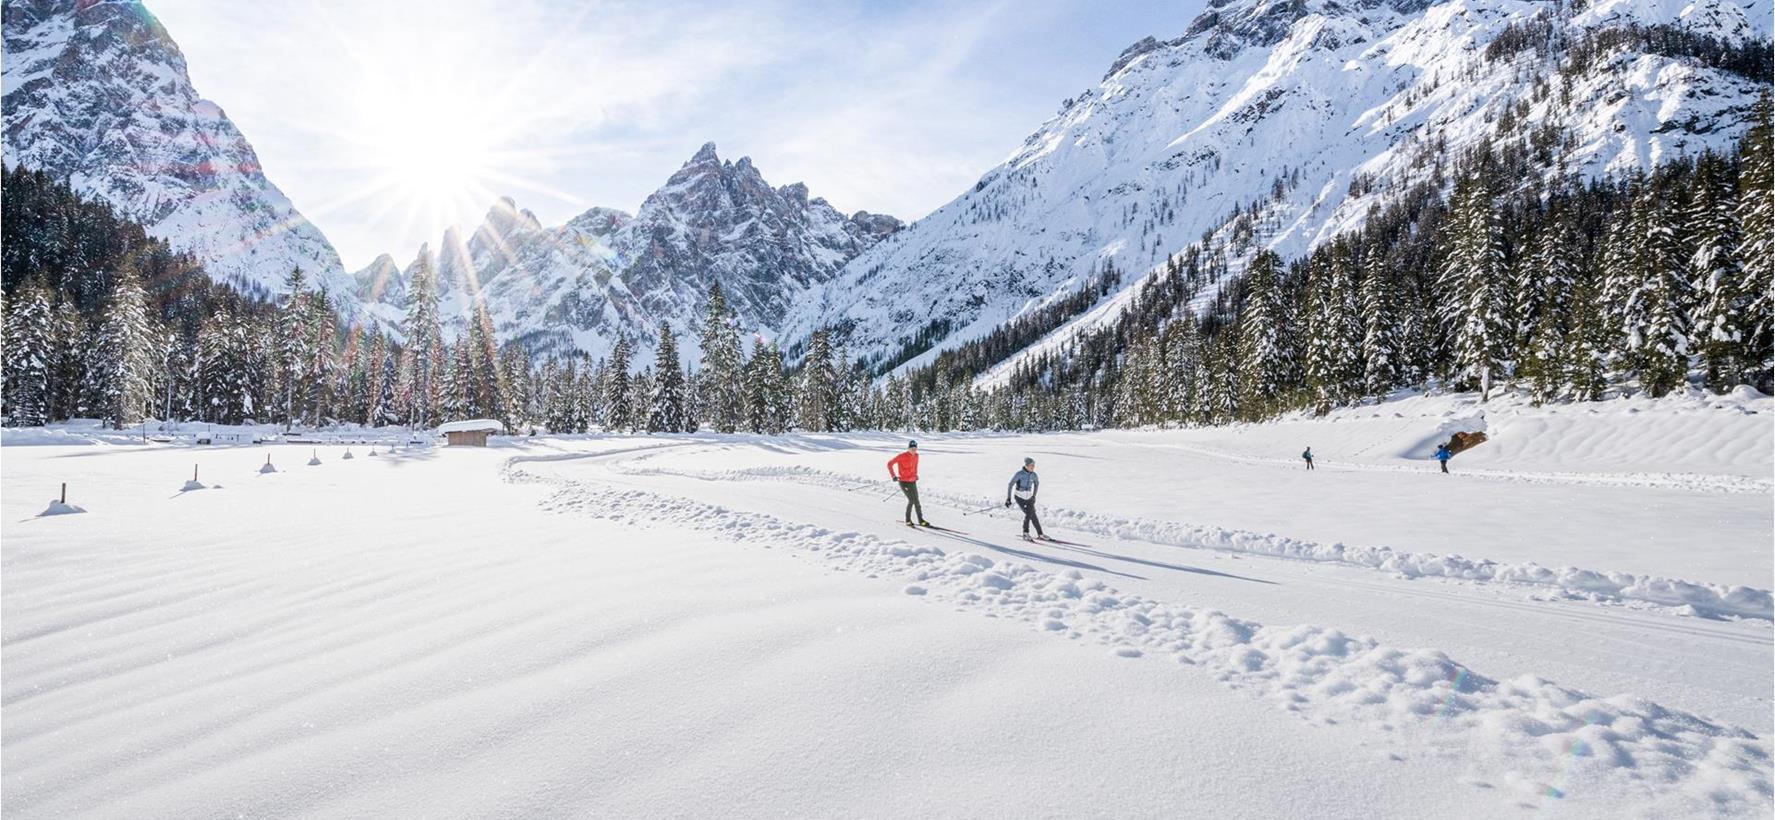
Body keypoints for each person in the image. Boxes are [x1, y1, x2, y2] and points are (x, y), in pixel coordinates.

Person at [888, 440, 928, 526]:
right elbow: (889, 464)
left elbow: (915, 467)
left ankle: (921, 520)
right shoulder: (902, 456)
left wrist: (915, 475)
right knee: (911, 500)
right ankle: (908, 520)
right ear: (908, 448)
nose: (913, 450)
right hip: (903, 482)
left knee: (916, 501)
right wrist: (893, 476)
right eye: (911, 448)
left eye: (915, 448)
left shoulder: (916, 456)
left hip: (912, 481)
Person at [1005, 457, 1046, 540]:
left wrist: (1034, 496)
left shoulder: (1034, 475)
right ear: (1026, 465)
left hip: (1029, 498)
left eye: (1034, 466)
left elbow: (1037, 484)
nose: (1033, 467)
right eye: (1031, 465)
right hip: (1019, 497)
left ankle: (1040, 534)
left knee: (1033, 515)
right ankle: (1025, 533)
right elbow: (1010, 484)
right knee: (1028, 514)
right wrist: (1008, 498)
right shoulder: (1019, 474)